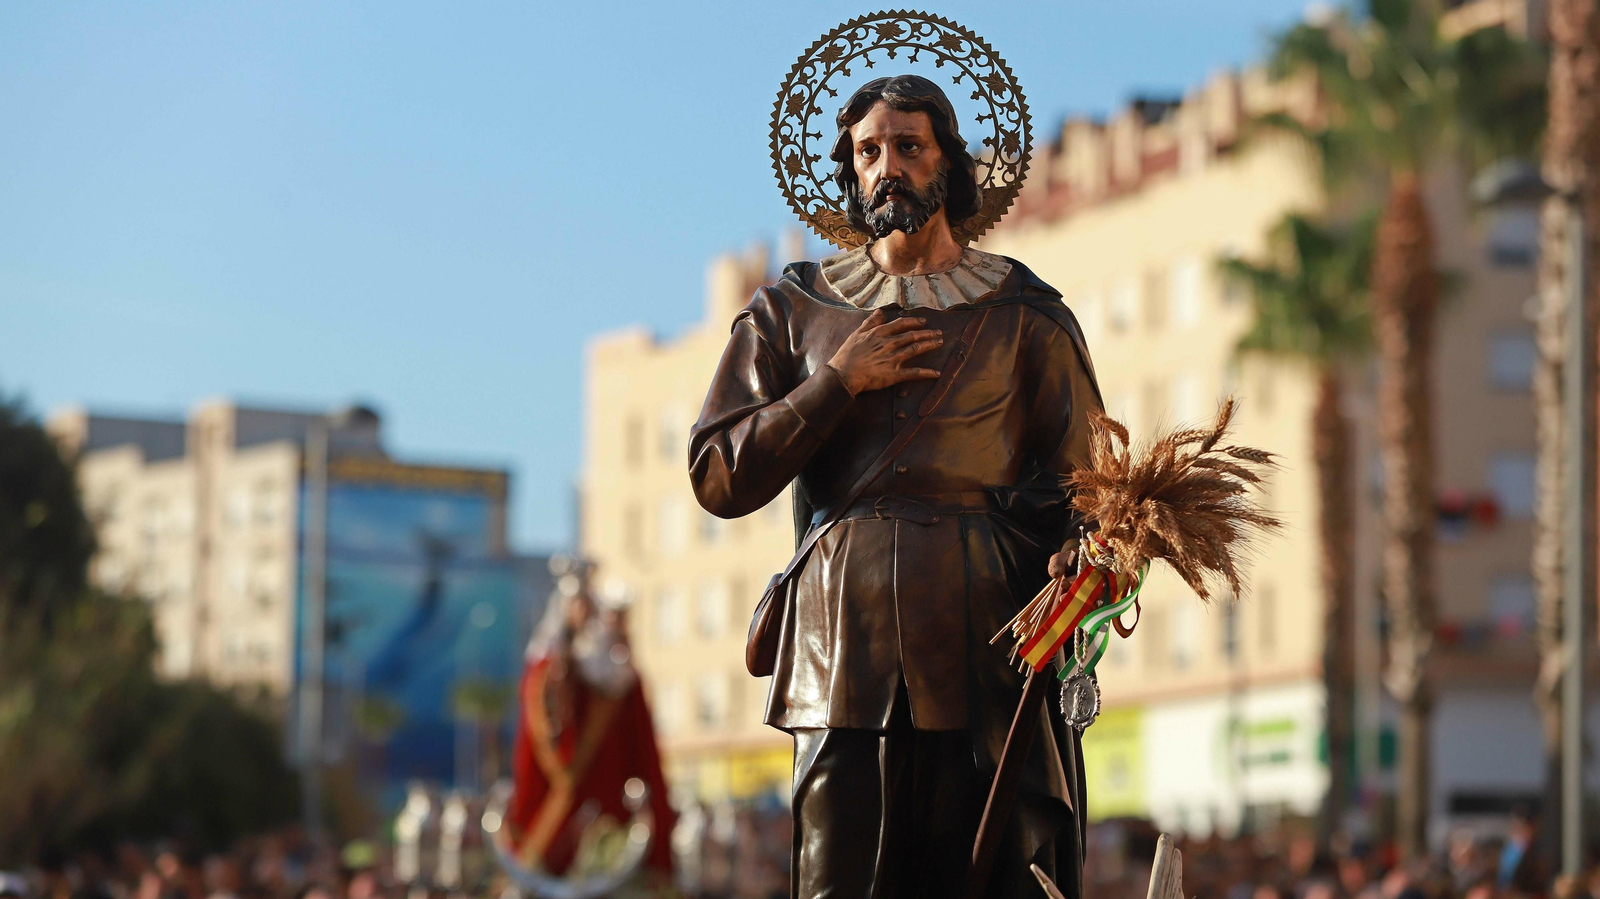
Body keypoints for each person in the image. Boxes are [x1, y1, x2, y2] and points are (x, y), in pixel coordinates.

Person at [689, 72, 1103, 899]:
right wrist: (836, 383)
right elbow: (718, 472)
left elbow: (1090, 485)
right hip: (842, 642)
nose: (887, 167)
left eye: (909, 146)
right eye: (868, 151)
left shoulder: (1024, 312)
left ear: (948, 162)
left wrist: (1085, 555)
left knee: (997, 873)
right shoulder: (794, 309)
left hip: (989, 639)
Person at [504, 562, 676, 880]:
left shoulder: (610, 673)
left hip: (604, 807)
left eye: (587, 604)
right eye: (575, 604)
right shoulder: (544, 670)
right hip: (551, 810)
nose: (582, 613)